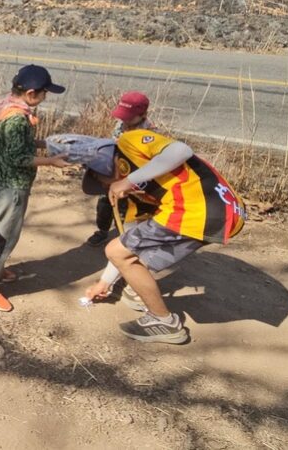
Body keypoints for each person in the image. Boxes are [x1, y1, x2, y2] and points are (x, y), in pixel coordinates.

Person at [83, 96, 246, 344]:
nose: (107, 188)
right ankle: (142, 295)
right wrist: (104, 283)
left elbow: (182, 150)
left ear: (106, 169)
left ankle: (163, 321)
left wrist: (129, 181)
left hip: (196, 208)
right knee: (129, 253)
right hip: (222, 213)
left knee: (117, 251)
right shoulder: (136, 193)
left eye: (103, 182)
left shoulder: (130, 141)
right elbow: (128, 241)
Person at [0, 65, 69, 312]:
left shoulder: (8, 105)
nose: (46, 97)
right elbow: (18, 157)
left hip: (1, 180)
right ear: (32, 93)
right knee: (4, 236)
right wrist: (51, 162)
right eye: (45, 93)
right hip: (12, 185)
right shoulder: (17, 119)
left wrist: (45, 143)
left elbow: (15, 144)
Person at [85, 91, 161, 247]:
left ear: (143, 115)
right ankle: (103, 230)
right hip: (114, 173)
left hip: (134, 178)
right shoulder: (120, 125)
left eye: (129, 117)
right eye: (123, 116)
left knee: (127, 211)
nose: (125, 120)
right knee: (105, 205)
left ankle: (125, 238)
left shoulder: (150, 134)